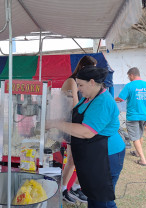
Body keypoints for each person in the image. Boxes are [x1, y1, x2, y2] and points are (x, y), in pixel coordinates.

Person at [47, 66, 126, 207]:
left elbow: (86, 131)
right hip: (95, 155)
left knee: (102, 201)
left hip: (107, 157)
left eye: (80, 85)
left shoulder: (103, 102)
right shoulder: (89, 97)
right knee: (93, 196)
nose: (78, 88)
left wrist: (56, 123)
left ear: (92, 82)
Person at [60, 56, 97, 203]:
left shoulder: (80, 82)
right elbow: (77, 107)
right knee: (73, 160)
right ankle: (65, 189)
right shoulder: (72, 81)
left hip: (75, 124)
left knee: (80, 159)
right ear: (84, 68)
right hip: (70, 125)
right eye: (92, 68)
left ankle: (75, 187)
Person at [115, 67, 146, 166]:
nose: (129, 78)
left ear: (131, 75)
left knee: (135, 137)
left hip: (133, 116)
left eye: (129, 76)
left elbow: (120, 99)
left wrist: (112, 99)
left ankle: (143, 160)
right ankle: (137, 153)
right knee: (140, 135)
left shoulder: (129, 86)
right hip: (143, 115)